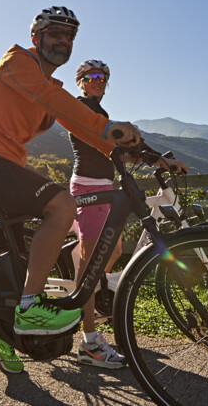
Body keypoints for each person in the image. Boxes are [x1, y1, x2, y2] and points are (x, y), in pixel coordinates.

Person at [0, 6, 141, 374]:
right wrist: (107, 128)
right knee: (62, 205)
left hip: (8, 168)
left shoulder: (52, 87)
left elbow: (81, 124)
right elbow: (59, 104)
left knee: (12, 258)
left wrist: (134, 151)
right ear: (36, 37)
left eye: (70, 36)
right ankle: (30, 307)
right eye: (55, 33)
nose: (63, 41)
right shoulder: (17, 62)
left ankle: (3, 330)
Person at [66, 59, 189, 369]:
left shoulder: (101, 112)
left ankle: (92, 294)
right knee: (91, 265)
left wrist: (160, 161)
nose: (98, 80)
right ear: (81, 81)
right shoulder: (82, 108)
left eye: (103, 77)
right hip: (88, 186)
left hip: (104, 185)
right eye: (92, 76)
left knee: (115, 249)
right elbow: (113, 143)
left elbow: (124, 147)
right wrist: (151, 157)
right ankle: (89, 342)